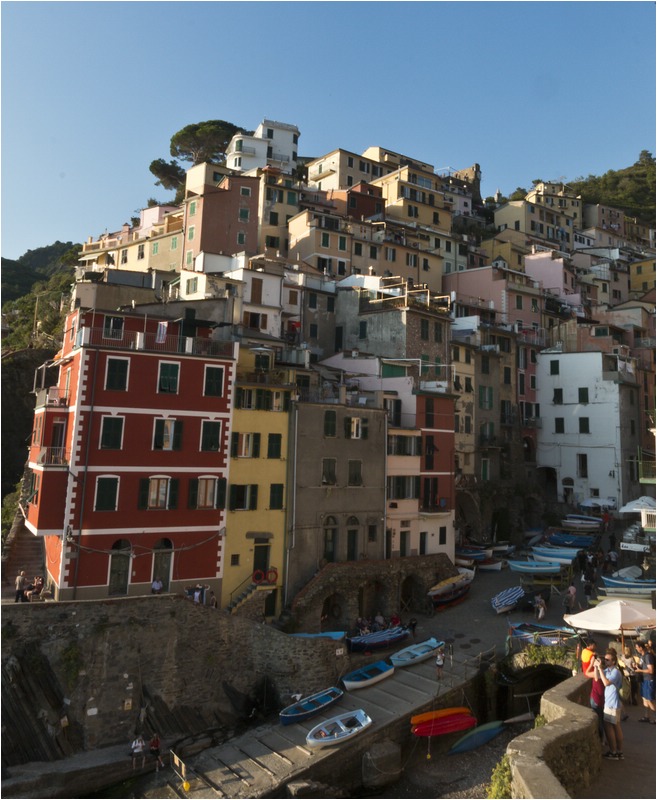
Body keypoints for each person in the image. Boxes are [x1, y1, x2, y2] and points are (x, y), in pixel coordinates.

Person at [595, 648, 624, 759]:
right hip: (611, 703)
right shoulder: (608, 670)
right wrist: (596, 666)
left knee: (610, 728)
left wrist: (600, 668)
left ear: (613, 661)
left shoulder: (615, 672)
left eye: (608, 660)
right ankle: (619, 752)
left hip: (612, 704)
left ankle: (614, 752)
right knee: (616, 727)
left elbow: (606, 683)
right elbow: (597, 678)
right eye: (605, 659)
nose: (605, 661)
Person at [584, 646, 605, 743]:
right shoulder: (607, 673)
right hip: (601, 699)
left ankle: (601, 739)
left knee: (599, 719)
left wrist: (592, 664)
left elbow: (587, 673)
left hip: (596, 699)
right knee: (601, 718)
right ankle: (603, 739)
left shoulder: (599, 674)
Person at [634, 640, 655, 723]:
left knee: (649, 699)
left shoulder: (648, 656)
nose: (636, 649)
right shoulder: (642, 656)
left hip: (649, 679)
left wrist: (640, 670)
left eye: (637, 647)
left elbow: (651, 670)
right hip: (644, 679)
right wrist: (637, 666)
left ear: (641, 648)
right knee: (644, 698)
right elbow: (643, 666)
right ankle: (646, 716)